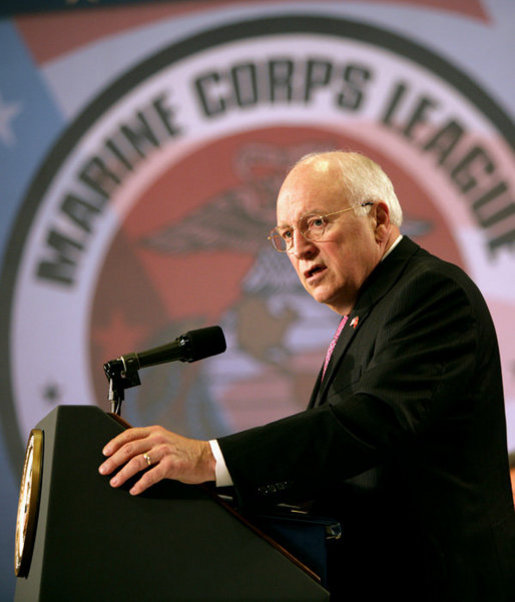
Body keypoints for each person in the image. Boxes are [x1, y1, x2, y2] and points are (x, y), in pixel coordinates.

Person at [99, 151, 515, 601]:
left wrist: (209, 460)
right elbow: (327, 472)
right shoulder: (368, 311)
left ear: (378, 219)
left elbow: (369, 422)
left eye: (316, 223)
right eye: (285, 234)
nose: (298, 248)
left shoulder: (431, 293)